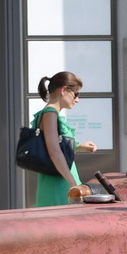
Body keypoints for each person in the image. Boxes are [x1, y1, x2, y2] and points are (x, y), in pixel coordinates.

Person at [32, 71, 95, 207]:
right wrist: (72, 183)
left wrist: (79, 147)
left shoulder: (47, 114)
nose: (77, 100)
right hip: (59, 182)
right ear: (64, 90)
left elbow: (54, 147)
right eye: (76, 94)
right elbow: (54, 151)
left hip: (57, 179)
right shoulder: (50, 113)